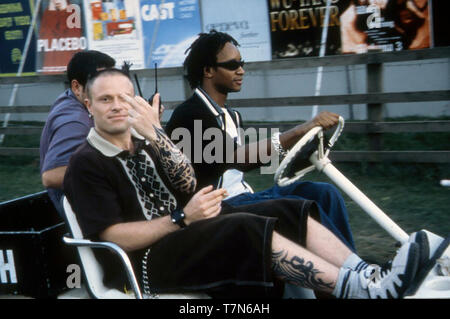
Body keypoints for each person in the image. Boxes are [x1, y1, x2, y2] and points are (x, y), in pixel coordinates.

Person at [63, 67, 423, 299]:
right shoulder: (86, 163)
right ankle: (359, 291)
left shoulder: (146, 142)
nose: (116, 106)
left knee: (288, 207)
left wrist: (158, 136)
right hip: (144, 264)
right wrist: (180, 219)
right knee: (243, 226)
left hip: (182, 239)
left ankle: (367, 277)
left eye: (124, 98)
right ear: (88, 105)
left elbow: (187, 184)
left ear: (137, 101)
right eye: (104, 99)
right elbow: (111, 236)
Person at [165, 30, 355, 252]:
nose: (241, 70)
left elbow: (254, 162)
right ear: (208, 70)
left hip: (245, 196)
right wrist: (300, 131)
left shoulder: (231, 115)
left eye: (242, 63)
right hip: (218, 208)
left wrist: (300, 152)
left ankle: (353, 269)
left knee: (324, 193)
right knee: (297, 208)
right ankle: (345, 278)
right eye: (232, 64)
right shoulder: (190, 113)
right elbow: (239, 160)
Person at [39, 50, 115, 215]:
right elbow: (51, 176)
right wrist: (113, 172)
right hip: (86, 212)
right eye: (100, 82)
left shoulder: (77, 100)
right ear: (76, 87)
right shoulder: (75, 121)